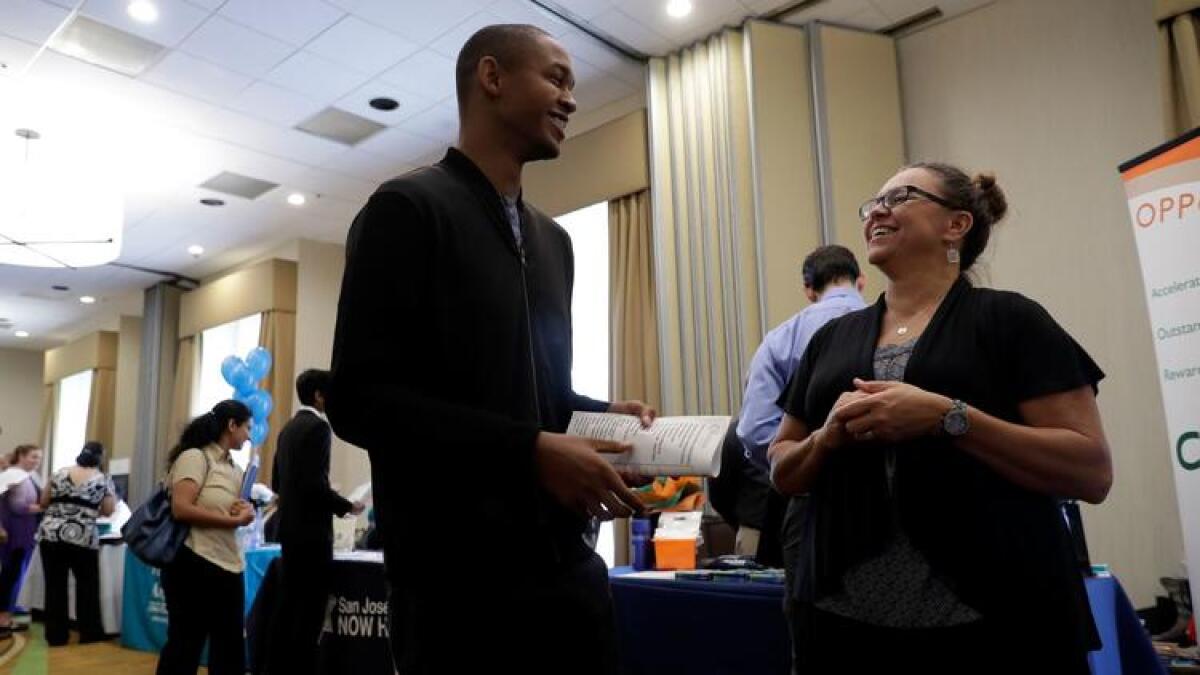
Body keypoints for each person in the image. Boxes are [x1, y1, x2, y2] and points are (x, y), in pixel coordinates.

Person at [328, 23, 655, 674]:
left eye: (573, 86)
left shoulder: (554, 240)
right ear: (492, 77)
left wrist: (596, 416)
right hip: (457, 592)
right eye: (556, 78)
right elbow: (361, 400)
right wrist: (531, 451)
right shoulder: (407, 207)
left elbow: (531, 395)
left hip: (571, 576)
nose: (570, 99)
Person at [769, 163, 1112, 674]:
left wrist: (950, 417)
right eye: (873, 202)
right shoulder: (830, 341)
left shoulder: (1010, 320)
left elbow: (1091, 472)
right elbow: (781, 467)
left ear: (957, 225)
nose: (878, 209)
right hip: (844, 624)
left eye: (901, 196)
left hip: (993, 623)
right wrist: (825, 439)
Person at [730, 246, 866, 559]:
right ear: (861, 281)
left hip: (806, 503)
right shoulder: (897, 327)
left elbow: (753, 429)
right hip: (887, 504)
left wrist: (798, 462)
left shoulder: (780, 339)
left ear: (808, 289)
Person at [266, 369, 363, 675]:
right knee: (309, 613)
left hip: (289, 532)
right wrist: (346, 505)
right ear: (319, 396)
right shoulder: (319, 429)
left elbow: (278, 483)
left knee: (289, 607)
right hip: (312, 535)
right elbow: (315, 485)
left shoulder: (287, 430)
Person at [156, 400, 255, 675]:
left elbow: (229, 508)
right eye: (246, 428)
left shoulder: (234, 468)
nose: (249, 436)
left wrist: (245, 510)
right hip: (193, 562)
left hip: (228, 563)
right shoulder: (195, 458)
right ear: (231, 425)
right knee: (185, 647)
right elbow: (181, 508)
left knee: (230, 649)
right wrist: (233, 520)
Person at [36, 441, 115, 646]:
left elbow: (44, 501)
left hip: (52, 534)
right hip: (83, 537)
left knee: (55, 586)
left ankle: (56, 636)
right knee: (87, 586)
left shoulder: (59, 473)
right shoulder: (103, 479)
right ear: (100, 458)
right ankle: (89, 633)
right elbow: (108, 510)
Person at [0, 444, 43, 635]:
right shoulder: (12, 475)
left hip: (23, 530)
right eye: (33, 457)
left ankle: (6, 616)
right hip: (14, 532)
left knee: (14, 574)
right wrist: (44, 507)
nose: (37, 461)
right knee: (10, 575)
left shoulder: (26, 476)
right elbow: (18, 506)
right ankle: (3, 620)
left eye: (39, 458)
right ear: (21, 456)